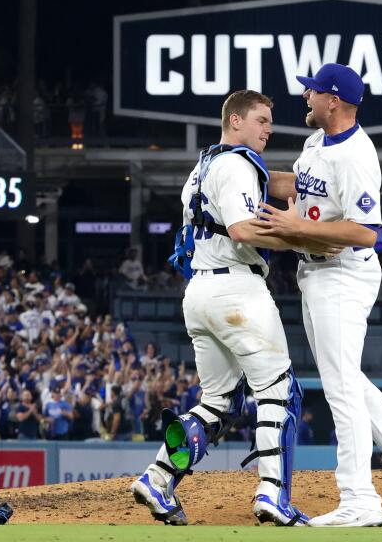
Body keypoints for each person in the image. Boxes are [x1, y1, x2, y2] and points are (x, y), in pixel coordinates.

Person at [131, 90, 338, 527]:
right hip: (236, 292)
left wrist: (314, 178)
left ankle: (158, 478)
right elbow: (244, 229)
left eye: (270, 121)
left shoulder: (207, 164)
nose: (268, 128)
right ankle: (272, 496)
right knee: (280, 390)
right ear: (236, 120)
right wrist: (302, 237)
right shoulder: (236, 164)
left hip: (200, 294)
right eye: (261, 120)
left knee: (219, 404)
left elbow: (270, 183)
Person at [255, 64, 382, 527]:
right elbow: (296, 186)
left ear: (333, 100)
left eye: (312, 91)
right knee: (349, 379)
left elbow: (366, 231)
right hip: (315, 273)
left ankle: (359, 498)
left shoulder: (358, 155)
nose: (306, 97)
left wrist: (298, 225)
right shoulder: (316, 141)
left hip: (343, 275)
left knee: (340, 388)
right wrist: (240, 166)